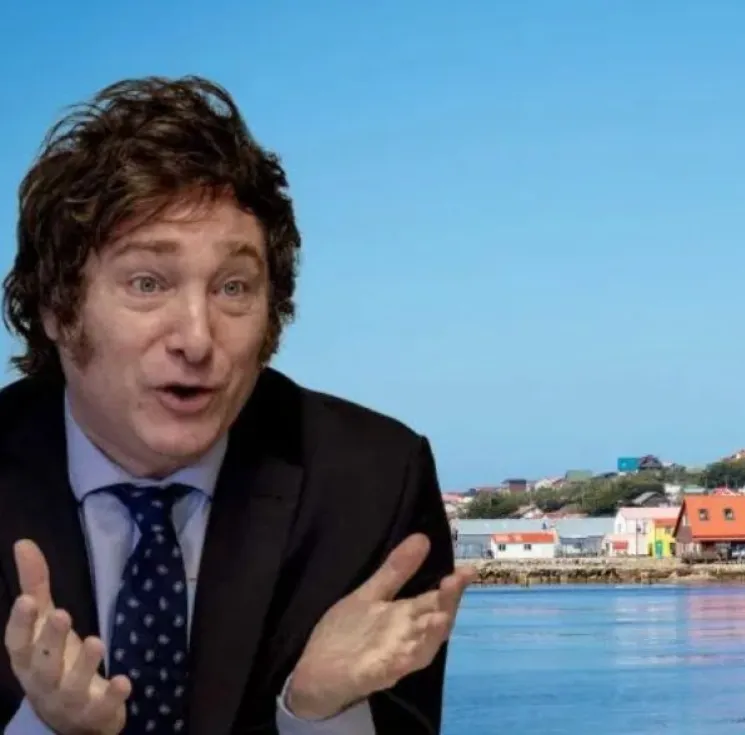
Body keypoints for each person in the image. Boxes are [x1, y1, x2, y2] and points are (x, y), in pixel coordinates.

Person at [0, 76, 475, 734]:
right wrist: (44, 728)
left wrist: (316, 713)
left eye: (233, 287)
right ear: (56, 305)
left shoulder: (371, 484)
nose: (197, 339)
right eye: (148, 283)